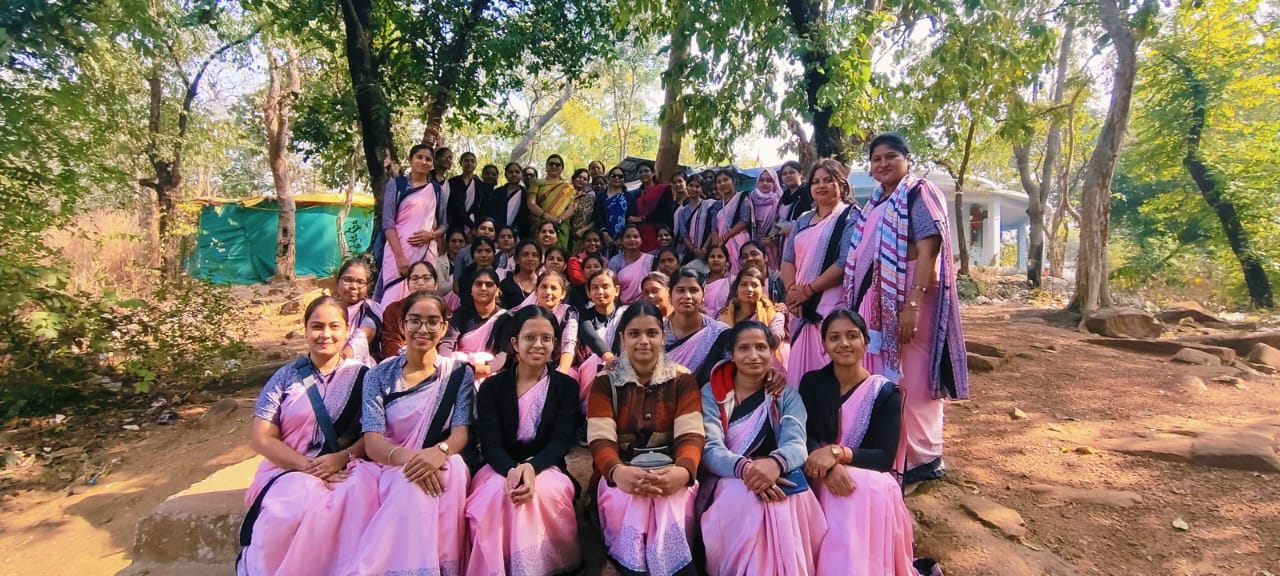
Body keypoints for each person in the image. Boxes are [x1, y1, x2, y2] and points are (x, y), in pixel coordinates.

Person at [841, 133, 969, 483]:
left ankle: (922, 459)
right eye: (876, 158)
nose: (883, 163)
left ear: (907, 160)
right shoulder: (875, 204)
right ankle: (891, 451)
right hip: (878, 300)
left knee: (912, 376)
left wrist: (912, 304)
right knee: (886, 375)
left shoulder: (919, 193)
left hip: (912, 295)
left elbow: (929, 249)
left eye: (891, 156)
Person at [239, 296, 371, 576]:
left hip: (344, 465)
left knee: (360, 493)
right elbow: (262, 438)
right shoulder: (284, 378)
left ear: (347, 330)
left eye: (334, 326)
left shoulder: (364, 378)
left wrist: (342, 457)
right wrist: (308, 467)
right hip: (287, 468)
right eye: (317, 326)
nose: (325, 334)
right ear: (306, 330)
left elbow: (373, 433)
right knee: (296, 499)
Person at [351, 292, 475, 575]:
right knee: (410, 488)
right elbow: (373, 442)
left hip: (441, 457)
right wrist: (414, 460)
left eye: (432, 322)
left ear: (444, 327)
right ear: (402, 325)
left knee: (454, 469)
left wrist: (439, 452)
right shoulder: (378, 376)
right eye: (415, 321)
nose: (423, 329)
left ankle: (445, 566)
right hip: (392, 463)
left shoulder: (458, 374)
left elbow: (460, 432)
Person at [698, 321, 827, 576]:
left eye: (760, 347)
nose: (753, 355)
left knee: (785, 501)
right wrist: (748, 470)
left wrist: (775, 464)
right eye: (744, 348)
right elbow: (710, 448)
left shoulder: (786, 396)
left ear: (771, 351)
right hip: (728, 477)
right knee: (744, 499)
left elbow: (796, 443)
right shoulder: (713, 394)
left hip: (779, 473)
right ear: (732, 354)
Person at [586, 302, 705, 576]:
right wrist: (618, 472)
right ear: (622, 338)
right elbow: (600, 439)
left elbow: (691, 433)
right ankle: (630, 566)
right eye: (634, 333)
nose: (643, 341)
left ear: (663, 337)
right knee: (631, 498)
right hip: (620, 473)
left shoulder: (682, 379)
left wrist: (682, 471)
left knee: (670, 499)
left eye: (652, 333)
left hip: (672, 470)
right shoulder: (605, 381)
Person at [466, 306, 583, 575]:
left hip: (546, 466)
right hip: (498, 466)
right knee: (495, 496)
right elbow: (491, 443)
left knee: (541, 493)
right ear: (515, 343)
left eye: (546, 338)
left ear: (555, 344)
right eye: (530, 337)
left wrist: (531, 467)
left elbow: (560, 442)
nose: (538, 345)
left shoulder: (566, 387)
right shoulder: (491, 387)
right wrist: (511, 470)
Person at [799, 309, 915, 575]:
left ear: (865, 341)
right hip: (816, 470)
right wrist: (828, 466)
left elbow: (883, 458)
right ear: (824, 344)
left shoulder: (885, 393)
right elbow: (802, 433)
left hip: (865, 477)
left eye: (852, 336)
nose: (844, 344)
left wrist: (838, 454)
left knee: (858, 488)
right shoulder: (812, 382)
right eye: (834, 337)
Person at [782, 158, 858, 388]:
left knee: (829, 374)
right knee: (799, 376)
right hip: (799, 307)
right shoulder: (803, 219)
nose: (821, 185)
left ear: (842, 185)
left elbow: (844, 262)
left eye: (828, 180)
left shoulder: (851, 216)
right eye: (816, 181)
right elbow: (787, 259)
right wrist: (792, 292)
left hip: (830, 305)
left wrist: (808, 291)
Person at [376, 144, 446, 306]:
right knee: (392, 299)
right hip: (397, 251)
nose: (423, 162)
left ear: (432, 164)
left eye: (428, 159)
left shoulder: (436, 190)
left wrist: (431, 235)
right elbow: (388, 223)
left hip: (426, 251)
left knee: (423, 297)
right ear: (410, 160)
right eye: (419, 157)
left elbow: (444, 225)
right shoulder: (397, 185)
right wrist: (400, 257)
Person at [663, 268, 731, 384]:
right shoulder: (656, 332)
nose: (687, 296)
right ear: (670, 295)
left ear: (703, 295)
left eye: (694, 290)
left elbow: (732, 372)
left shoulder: (719, 333)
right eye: (680, 290)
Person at [442, 268, 507, 384]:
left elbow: (504, 352)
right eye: (478, 284)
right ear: (471, 290)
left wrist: (486, 369)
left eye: (489, 284)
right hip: (458, 370)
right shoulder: (460, 315)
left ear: (497, 291)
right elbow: (447, 344)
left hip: (490, 374)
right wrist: (448, 366)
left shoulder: (505, 318)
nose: (483, 288)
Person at [575, 269, 626, 404]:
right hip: (592, 369)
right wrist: (608, 358)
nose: (600, 292)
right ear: (588, 293)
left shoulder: (625, 314)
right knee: (595, 361)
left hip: (622, 366)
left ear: (616, 290)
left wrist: (615, 361)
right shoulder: (583, 316)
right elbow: (591, 337)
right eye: (594, 288)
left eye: (605, 286)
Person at [381, 261, 443, 356]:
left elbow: (446, 344)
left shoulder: (444, 311)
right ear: (408, 285)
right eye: (415, 278)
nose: (420, 283)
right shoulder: (393, 310)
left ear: (436, 284)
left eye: (426, 278)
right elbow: (389, 343)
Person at [717, 268, 787, 350]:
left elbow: (776, 338)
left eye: (754, 285)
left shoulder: (774, 315)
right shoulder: (723, 318)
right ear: (736, 290)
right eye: (744, 284)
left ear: (763, 289)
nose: (749, 289)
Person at [335, 259, 384, 366]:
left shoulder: (372, 309)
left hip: (361, 367)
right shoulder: (328, 308)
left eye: (360, 282)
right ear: (337, 282)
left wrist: (336, 363)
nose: (353, 286)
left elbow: (362, 338)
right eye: (347, 280)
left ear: (368, 286)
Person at [526, 154, 575, 249]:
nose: (554, 166)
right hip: (540, 223)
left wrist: (559, 220)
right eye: (551, 164)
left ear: (562, 168)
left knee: (559, 253)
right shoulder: (536, 182)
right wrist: (547, 217)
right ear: (546, 167)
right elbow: (531, 204)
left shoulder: (568, 187)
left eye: (557, 165)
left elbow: (571, 208)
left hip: (561, 225)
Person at [711, 168, 750, 275]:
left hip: (740, 241)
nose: (722, 183)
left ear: (733, 181)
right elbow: (714, 227)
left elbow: (744, 220)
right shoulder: (717, 205)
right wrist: (717, 243)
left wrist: (725, 237)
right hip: (722, 245)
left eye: (725, 179)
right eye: (719, 181)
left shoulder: (742, 198)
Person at [630, 162, 675, 252]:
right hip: (641, 233)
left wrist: (642, 218)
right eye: (640, 172)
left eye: (646, 171)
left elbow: (665, 212)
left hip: (659, 232)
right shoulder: (636, 194)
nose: (643, 174)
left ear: (653, 173)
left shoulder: (664, 189)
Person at [447, 151, 491, 234]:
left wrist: (476, 226)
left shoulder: (480, 185)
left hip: (474, 224)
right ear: (461, 163)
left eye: (472, 161)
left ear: (476, 164)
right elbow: (454, 205)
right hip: (455, 223)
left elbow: (481, 208)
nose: (469, 163)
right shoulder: (453, 182)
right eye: (466, 160)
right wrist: (471, 225)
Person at [748, 168, 783, 269]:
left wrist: (772, 238)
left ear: (775, 183)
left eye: (769, 180)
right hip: (752, 244)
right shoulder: (750, 200)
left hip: (773, 246)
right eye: (762, 180)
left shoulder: (780, 201)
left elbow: (781, 223)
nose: (765, 183)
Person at [609, 225, 654, 304]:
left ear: (641, 240)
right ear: (622, 241)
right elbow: (611, 286)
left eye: (635, 236)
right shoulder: (615, 261)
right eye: (628, 237)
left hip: (646, 305)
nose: (632, 239)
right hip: (621, 305)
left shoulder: (650, 260)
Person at [595, 166, 632, 256]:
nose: (617, 178)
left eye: (620, 176)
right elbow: (597, 216)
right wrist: (604, 234)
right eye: (614, 175)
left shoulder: (628, 197)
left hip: (623, 239)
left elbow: (631, 217)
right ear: (608, 178)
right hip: (603, 237)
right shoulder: (601, 196)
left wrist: (622, 237)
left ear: (624, 179)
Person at [455, 236, 503, 304]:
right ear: (472, 255)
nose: (483, 255)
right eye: (479, 251)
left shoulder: (503, 274)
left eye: (488, 251)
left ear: (494, 254)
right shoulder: (465, 278)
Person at [776, 161, 812, 246]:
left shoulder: (808, 192)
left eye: (792, 172)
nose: (788, 175)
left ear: (800, 174)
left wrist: (793, 228)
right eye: (784, 174)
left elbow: (811, 216)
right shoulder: (784, 197)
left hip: (803, 238)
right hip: (784, 240)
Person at [739, 240, 787, 304]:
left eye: (754, 254)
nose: (750, 258)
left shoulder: (778, 279)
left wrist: (784, 307)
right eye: (744, 257)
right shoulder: (739, 282)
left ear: (765, 257)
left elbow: (788, 303)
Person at [501, 240, 542, 309]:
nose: (530, 259)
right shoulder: (505, 285)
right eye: (525, 255)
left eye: (534, 255)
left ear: (539, 260)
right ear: (517, 259)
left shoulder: (544, 284)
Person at [491, 162, 528, 236]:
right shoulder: (498, 192)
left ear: (521, 175)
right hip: (498, 231)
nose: (514, 174)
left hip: (518, 233)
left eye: (517, 172)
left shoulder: (526, 194)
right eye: (510, 172)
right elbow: (493, 211)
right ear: (505, 175)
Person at [569, 168, 597, 254]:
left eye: (585, 179)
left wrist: (583, 230)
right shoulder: (563, 196)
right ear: (573, 178)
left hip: (581, 237)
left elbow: (595, 220)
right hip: (563, 234)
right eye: (579, 177)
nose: (581, 180)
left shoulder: (590, 198)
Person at [701, 245, 733, 318]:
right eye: (712, 256)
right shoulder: (699, 280)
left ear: (727, 262)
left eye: (720, 257)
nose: (715, 259)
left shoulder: (732, 281)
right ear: (707, 261)